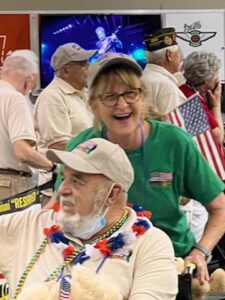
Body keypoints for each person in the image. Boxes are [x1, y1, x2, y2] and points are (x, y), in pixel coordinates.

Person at [54, 52, 225, 285]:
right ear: (93, 104)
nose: (121, 104)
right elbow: (54, 209)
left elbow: (220, 208)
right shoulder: (82, 147)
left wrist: (200, 251)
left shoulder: (174, 141)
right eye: (110, 96)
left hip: (168, 265)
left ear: (142, 97)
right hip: (101, 271)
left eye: (129, 93)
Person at [0, 138, 178, 300]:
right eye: (64, 178)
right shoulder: (32, 223)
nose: (62, 189)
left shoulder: (150, 244)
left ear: (112, 194)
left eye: (77, 181)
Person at [34, 43, 97, 205]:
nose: (88, 67)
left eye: (88, 62)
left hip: (84, 181)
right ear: (66, 70)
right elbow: (58, 144)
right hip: (61, 185)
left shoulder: (84, 93)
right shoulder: (52, 97)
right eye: (83, 64)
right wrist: (99, 151)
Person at [0, 50, 54, 201]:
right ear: (28, 80)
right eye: (32, 87)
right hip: (10, 186)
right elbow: (23, 152)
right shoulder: (15, 98)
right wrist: (53, 167)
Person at [180, 51, 224, 145]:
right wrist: (216, 105)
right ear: (207, 79)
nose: (218, 77)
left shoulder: (187, 91)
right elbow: (218, 138)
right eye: (215, 73)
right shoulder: (192, 99)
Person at [142, 27, 186, 114]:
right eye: (178, 53)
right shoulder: (166, 86)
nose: (180, 58)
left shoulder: (139, 78)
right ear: (169, 55)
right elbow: (172, 126)